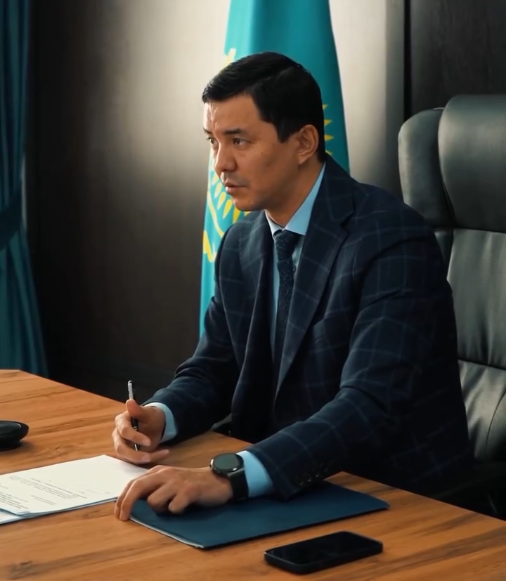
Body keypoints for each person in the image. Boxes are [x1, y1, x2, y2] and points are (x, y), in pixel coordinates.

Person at [112, 51, 474, 521]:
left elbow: (368, 405)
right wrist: (161, 416)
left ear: (303, 142)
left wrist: (230, 475)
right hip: (283, 486)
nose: (220, 163)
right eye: (213, 142)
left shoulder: (390, 239)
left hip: (394, 498)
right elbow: (215, 368)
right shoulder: (241, 240)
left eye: (239, 141)